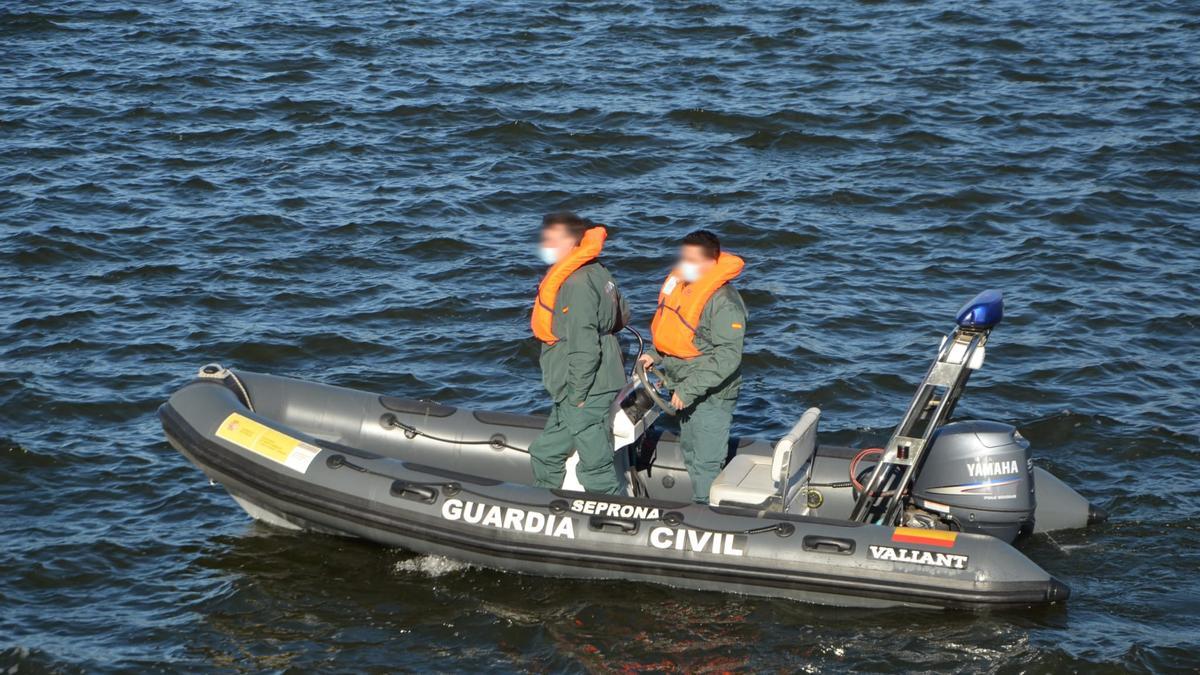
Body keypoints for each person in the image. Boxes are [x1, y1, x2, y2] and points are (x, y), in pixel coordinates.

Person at [638, 230, 747, 503]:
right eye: (683, 257)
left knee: (706, 462)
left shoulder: (724, 303)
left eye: (691, 259)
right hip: (682, 386)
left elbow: (727, 357)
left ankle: (707, 515)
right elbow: (679, 338)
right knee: (690, 451)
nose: (683, 263)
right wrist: (654, 354)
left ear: (710, 262)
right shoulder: (683, 288)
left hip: (710, 394)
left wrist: (689, 389)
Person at [528, 211, 630, 495]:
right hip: (581, 383)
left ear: (573, 242)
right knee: (545, 452)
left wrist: (578, 393)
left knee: (594, 465)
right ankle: (542, 505)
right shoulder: (599, 271)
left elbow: (584, 346)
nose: (545, 245)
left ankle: (617, 519)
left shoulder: (576, 283)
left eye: (552, 240)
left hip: (584, 386)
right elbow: (623, 314)